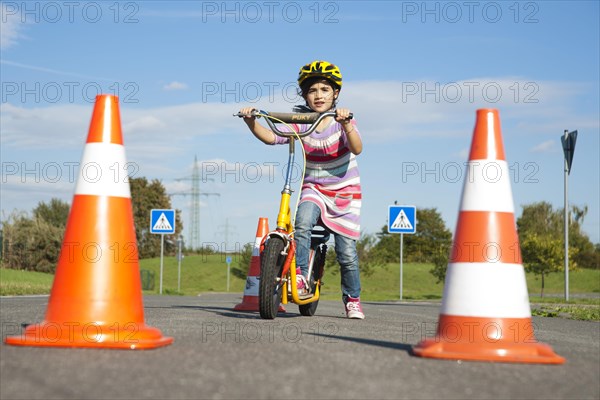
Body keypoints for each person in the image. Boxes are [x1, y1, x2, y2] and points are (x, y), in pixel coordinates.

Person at [239, 60, 364, 319]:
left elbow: (357, 147)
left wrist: (347, 123)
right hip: (314, 188)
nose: (318, 95)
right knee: (303, 221)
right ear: (305, 95)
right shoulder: (300, 123)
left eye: (324, 90)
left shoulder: (340, 121)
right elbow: (272, 137)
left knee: (347, 254)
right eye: (312, 90)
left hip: (344, 193)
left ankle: (352, 299)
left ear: (336, 94)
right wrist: (251, 122)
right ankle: (299, 277)